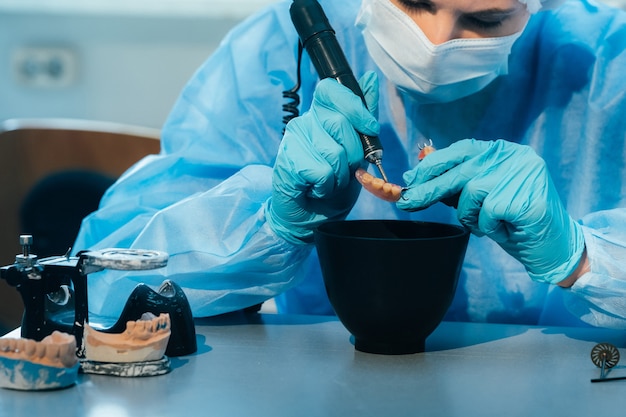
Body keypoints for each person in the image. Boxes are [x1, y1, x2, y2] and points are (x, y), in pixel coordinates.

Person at [73, 0, 626, 328]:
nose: (434, 46)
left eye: (486, 19)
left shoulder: (606, 65)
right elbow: (97, 282)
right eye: (413, 0)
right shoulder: (274, 53)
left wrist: (585, 258)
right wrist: (271, 225)